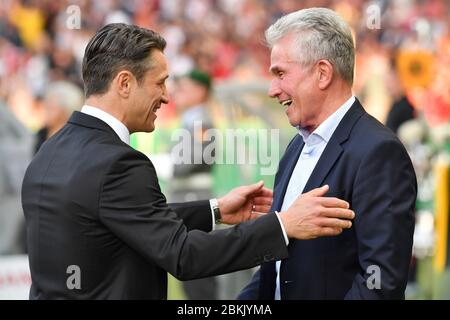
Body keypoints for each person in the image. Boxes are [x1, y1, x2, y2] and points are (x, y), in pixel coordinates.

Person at [21, 23, 355, 300]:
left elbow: (122, 219)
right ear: (124, 83)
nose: (167, 96)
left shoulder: (50, 150)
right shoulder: (118, 163)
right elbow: (182, 255)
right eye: (160, 83)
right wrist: (282, 225)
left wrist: (215, 211)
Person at [238, 8, 417, 300]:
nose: (272, 89)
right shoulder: (297, 146)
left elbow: (380, 281)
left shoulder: (378, 152)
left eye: (281, 73)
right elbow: (276, 266)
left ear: (322, 73)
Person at [170, 69, 218, 299]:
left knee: (196, 266)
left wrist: (169, 164)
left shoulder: (199, 120)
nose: (178, 93)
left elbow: (198, 156)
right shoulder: (192, 118)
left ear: (200, 92)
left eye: (185, 88)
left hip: (193, 194)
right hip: (188, 192)